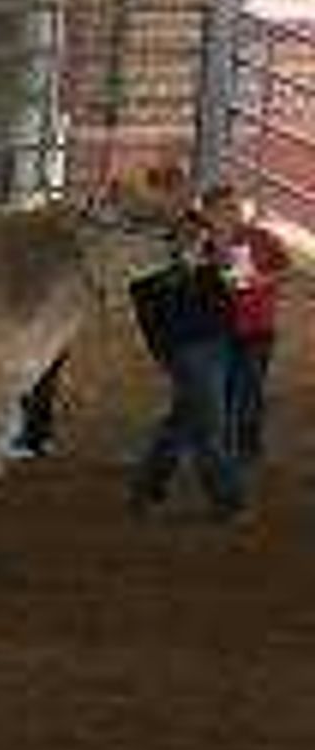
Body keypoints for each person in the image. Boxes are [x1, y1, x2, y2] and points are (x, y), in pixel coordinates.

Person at [128, 197, 248, 521]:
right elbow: (153, 309)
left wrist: (220, 253)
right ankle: (228, 499)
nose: (196, 234)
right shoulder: (151, 264)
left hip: (213, 341)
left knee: (182, 420)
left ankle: (146, 486)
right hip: (186, 348)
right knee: (209, 424)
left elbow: (240, 281)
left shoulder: (207, 255)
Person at [202, 180, 292, 474]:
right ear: (210, 213)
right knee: (225, 391)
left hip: (256, 327)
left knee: (250, 389)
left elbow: (286, 268)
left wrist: (265, 280)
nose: (232, 213)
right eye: (224, 209)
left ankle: (248, 445)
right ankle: (228, 446)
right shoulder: (203, 244)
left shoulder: (262, 237)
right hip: (220, 329)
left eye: (234, 207)